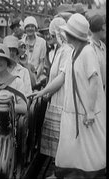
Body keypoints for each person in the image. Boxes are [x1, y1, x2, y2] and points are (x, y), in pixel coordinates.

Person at [28, 13, 106, 179]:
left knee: (88, 149)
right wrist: (42, 92)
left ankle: (84, 175)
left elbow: (94, 80)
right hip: (71, 108)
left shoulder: (87, 52)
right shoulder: (73, 52)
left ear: (71, 35)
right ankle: (64, 174)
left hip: (85, 109)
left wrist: (91, 110)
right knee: (70, 145)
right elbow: (62, 77)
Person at [39, 17, 73, 178]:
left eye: (52, 35)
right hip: (55, 98)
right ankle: (57, 172)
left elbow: (61, 78)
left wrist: (46, 92)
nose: (50, 38)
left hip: (60, 98)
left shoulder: (66, 50)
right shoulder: (59, 50)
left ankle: (59, 173)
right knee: (56, 140)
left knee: (60, 139)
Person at [21, 16, 47, 84]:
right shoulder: (21, 42)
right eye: (28, 26)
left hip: (38, 77)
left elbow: (42, 62)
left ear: (35, 28)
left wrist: (35, 76)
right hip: (23, 77)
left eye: (32, 26)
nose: (30, 28)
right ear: (25, 28)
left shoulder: (42, 42)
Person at [89, 14, 106, 92]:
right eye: (104, 27)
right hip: (95, 91)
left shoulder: (102, 46)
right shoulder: (89, 47)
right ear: (100, 28)